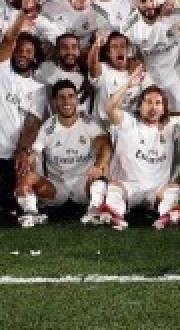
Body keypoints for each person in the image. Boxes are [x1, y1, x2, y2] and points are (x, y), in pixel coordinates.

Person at [93, 68, 180, 230]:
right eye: (148, 102)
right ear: (139, 105)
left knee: (173, 189)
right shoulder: (127, 123)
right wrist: (128, 84)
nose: (153, 107)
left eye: (158, 103)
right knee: (114, 188)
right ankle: (115, 216)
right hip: (129, 187)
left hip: (157, 189)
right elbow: (109, 108)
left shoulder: (171, 126)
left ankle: (165, 216)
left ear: (164, 108)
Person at [0, 0, 48, 215]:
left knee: (8, 205)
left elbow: (33, 123)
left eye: (29, 51)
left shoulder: (38, 88)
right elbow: (9, 38)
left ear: (35, 57)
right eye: (20, 49)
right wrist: (22, 15)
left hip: (11, 154)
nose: (23, 54)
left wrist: (22, 151)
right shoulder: (0, 70)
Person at [15, 80, 113, 228]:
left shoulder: (89, 123)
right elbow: (34, 152)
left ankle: (95, 209)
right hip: (57, 186)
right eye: (61, 97)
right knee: (24, 173)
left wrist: (98, 166)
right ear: (54, 101)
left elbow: (105, 146)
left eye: (71, 96)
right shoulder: (48, 127)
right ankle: (31, 213)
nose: (67, 101)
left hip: (84, 183)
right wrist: (24, 161)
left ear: (77, 99)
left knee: (102, 171)